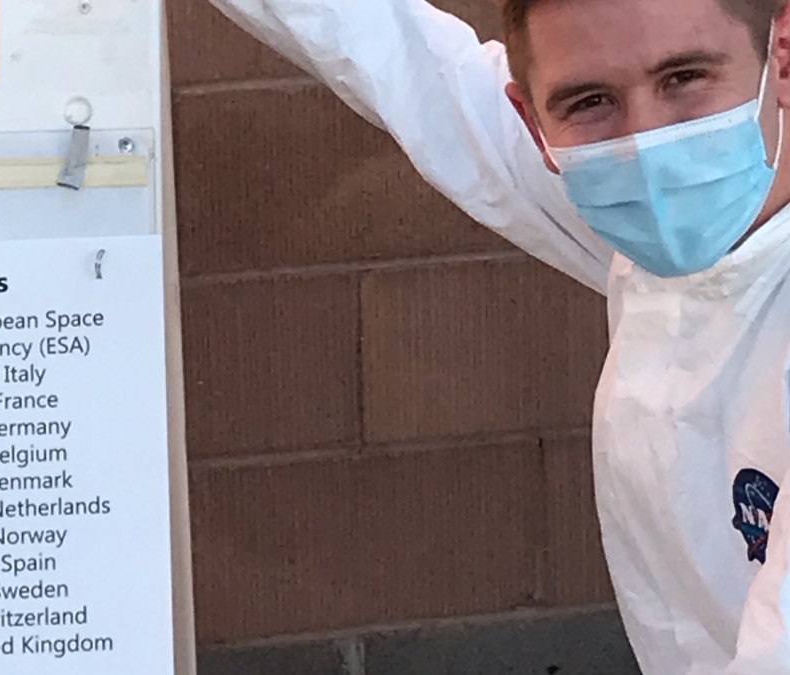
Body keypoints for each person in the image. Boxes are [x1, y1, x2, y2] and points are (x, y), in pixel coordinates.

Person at [204, 0, 790, 672]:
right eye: (589, 101)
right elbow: (400, 59)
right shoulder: (667, 226)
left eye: (684, 78)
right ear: (534, 125)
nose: (644, 143)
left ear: (783, 54)